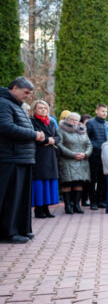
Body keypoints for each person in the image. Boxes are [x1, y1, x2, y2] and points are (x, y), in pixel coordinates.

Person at [0, 77, 45, 243]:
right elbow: (6, 127)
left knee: (21, 198)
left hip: (22, 157)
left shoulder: (16, 106)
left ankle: (21, 228)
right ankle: (8, 232)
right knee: (11, 197)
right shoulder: (3, 104)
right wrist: (34, 135)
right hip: (10, 158)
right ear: (15, 88)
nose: (27, 96)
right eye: (26, 92)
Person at [29, 100, 61, 217]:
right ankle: (38, 209)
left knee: (48, 182)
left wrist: (53, 140)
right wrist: (48, 140)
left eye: (45, 108)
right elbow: (33, 137)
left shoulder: (51, 123)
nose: (43, 110)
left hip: (50, 155)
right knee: (39, 182)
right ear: (35, 110)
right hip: (40, 155)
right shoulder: (32, 122)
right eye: (40, 108)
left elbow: (58, 137)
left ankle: (46, 208)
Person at [57, 112, 93, 214]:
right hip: (67, 160)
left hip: (82, 161)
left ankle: (77, 205)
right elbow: (59, 145)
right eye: (72, 119)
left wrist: (85, 154)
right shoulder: (61, 130)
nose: (74, 122)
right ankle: (68, 206)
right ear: (67, 120)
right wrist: (73, 154)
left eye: (76, 120)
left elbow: (89, 144)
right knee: (67, 183)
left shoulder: (82, 130)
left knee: (79, 183)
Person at [86, 104, 108, 210]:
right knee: (93, 179)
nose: (104, 113)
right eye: (102, 111)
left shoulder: (107, 124)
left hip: (105, 156)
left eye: (106, 111)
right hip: (94, 155)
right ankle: (93, 202)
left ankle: (101, 201)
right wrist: (97, 146)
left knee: (102, 179)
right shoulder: (91, 123)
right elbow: (87, 138)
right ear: (96, 111)